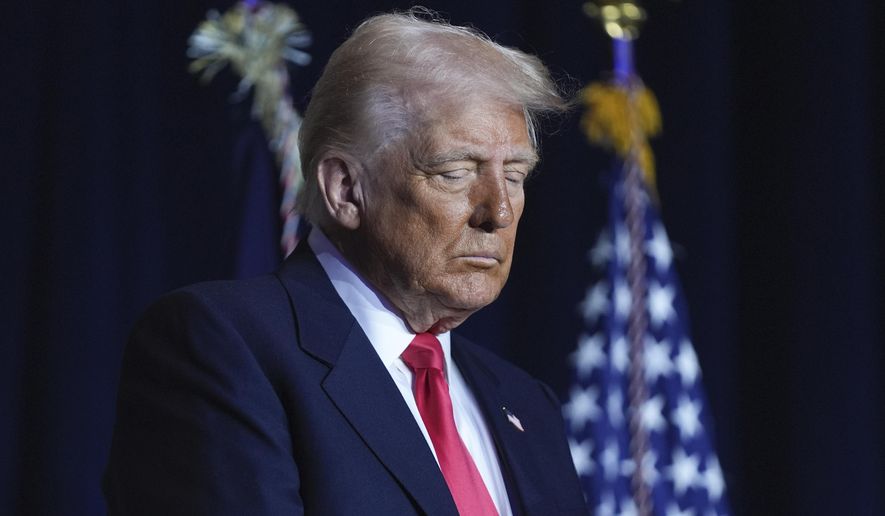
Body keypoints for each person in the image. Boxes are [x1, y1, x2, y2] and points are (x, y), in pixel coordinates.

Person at [104, 9, 586, 515]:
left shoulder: (526, 402)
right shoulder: (221, 348)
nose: (500, 211)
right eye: (455, 172)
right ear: (346, 189)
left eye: (514, 175)